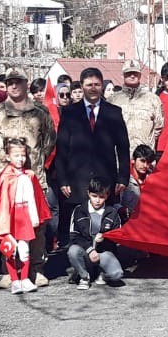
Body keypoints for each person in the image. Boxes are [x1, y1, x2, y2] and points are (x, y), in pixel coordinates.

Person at [0, 67, 56, 286]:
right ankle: (10, 269)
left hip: (34, 177)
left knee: (36, 223)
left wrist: (34, 160)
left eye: (18, 81)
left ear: (26, 83)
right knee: (8, 223)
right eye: (10, 82)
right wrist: (4, 161)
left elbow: (49, 141)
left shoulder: (40, 113)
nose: (14, 85)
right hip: (8, 181)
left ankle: (36, 268)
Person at [54, 67, 131, 256]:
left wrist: (123, 178)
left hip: (106, 176)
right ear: (82, 86)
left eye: (97, 84)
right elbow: (62, 148)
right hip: (77, 177)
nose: (93, 88)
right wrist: (62, 180)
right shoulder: (69, 112)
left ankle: (106, 260)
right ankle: (80, 266)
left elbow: (122, 147)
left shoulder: (114, 112)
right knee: (81, 221)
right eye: (89, 85)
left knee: (106, 220)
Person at [0, 138, 51, 294]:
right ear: (7, 156)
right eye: (16, 155)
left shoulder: (29, 175)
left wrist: (34, 217)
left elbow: (36, 199)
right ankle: (14, 280)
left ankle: (25, 278)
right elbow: (0, 201)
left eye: (23, 155)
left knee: (25, 249)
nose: (20, 159)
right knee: (10, 249)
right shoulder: (5, 176)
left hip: (24, 216)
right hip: (9, 218)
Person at [67, 178, 128, 289]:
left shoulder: (112, 213)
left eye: (101, 197)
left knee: (117, 275)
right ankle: (84, 276)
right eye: (94, 196)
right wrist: (90, 249)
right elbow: (74, 236)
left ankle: (101, 273)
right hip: (85, 251)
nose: (97, 200)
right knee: (73, 251)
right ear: (88, 193)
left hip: (104, 253)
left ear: (107, 196)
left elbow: (118, 238)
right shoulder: (79, 210)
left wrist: (105, 238)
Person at [108, 59, 166, 155]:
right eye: (129, 73)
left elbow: (159, 126)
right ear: (123, 75)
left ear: (140, 75)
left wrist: (147, 140)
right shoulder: (113, 100)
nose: (132, 75)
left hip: (145, 158)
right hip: (119, 156)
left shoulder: (152, 99)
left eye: (135, 73)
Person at [121, 144, 157, 216]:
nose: (145, 166)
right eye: (142, 161)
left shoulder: (152, 177)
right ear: (133, 160)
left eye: (148, 162)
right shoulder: (123, 177)